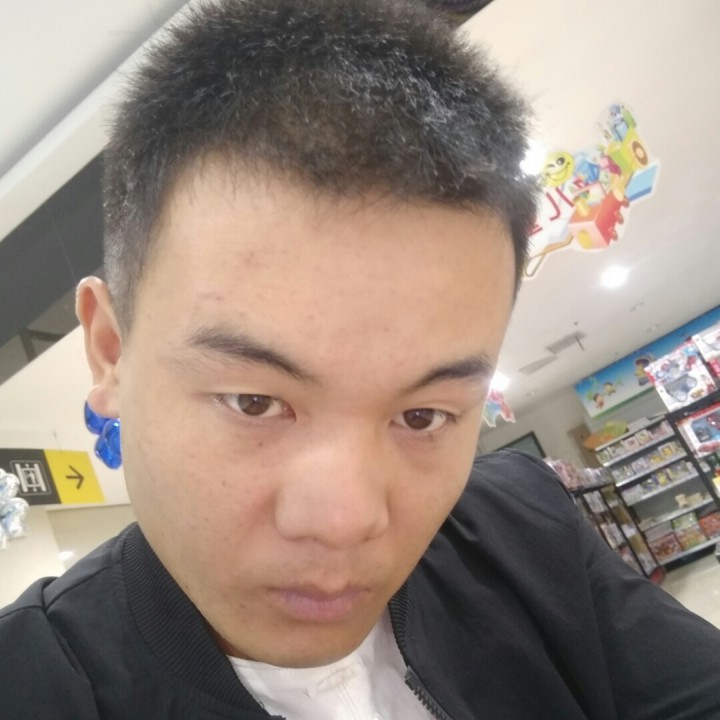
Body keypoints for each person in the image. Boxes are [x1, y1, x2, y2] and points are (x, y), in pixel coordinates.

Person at [1, 0, 720, 717]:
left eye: (424, 416)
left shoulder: (522, 527)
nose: (345, 521)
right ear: (111, 351)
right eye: (255, 402)